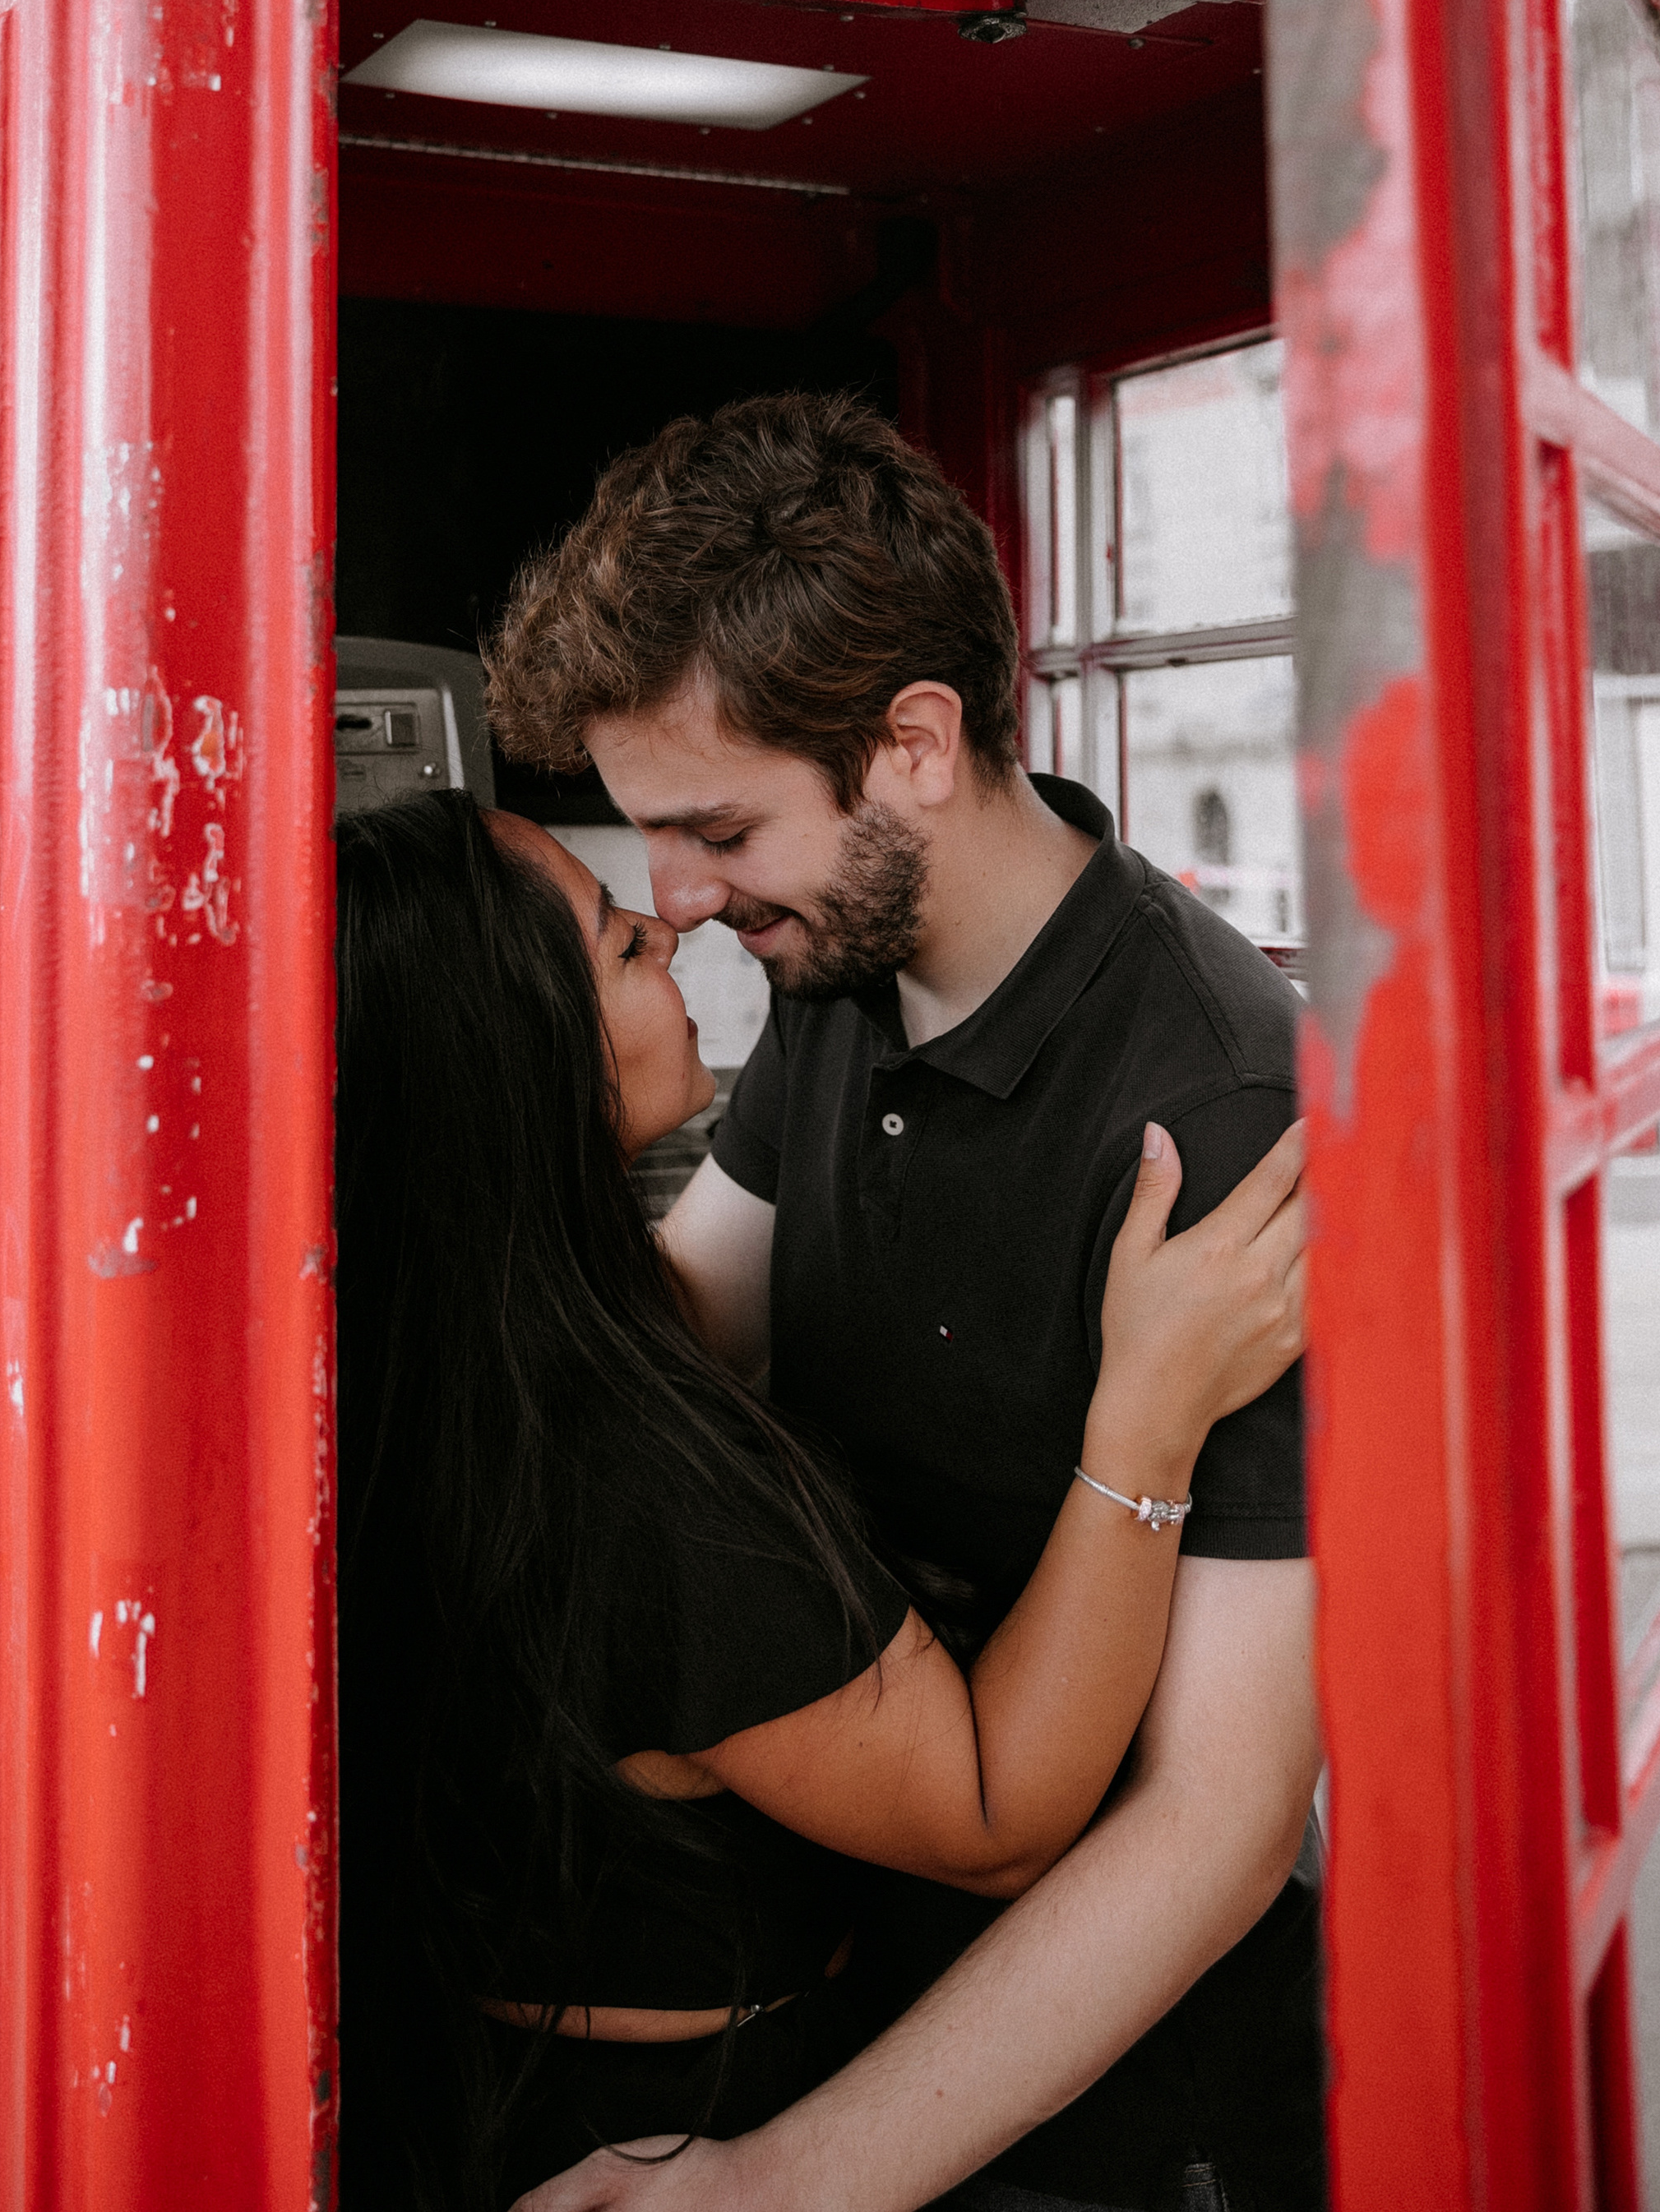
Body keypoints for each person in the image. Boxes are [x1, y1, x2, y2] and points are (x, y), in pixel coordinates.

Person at [483, 391, 1322, 2212]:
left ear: (914, 743)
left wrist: (780, 2187)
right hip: (862, 1952)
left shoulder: (1215, 1112)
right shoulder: (845, 976)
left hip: (1109, 2091)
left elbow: (1222, 1816)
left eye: (712, 830)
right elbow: (663, 1338)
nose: (679, 902)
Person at [335, 784, 1305, 2212]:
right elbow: (996, 1812)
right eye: (617, 947)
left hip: (495, 2088)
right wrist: (1147, 1416)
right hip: (669, 2133)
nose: (675, 919)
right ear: (517, 1063)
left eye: (719, 836)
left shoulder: (444, 1351)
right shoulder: (632, 1479)